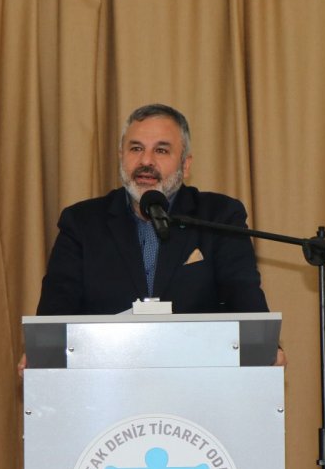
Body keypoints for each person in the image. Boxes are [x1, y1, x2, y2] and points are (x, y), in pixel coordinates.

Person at [20, 103, 284, 372]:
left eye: (161, 150)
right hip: (105, 376)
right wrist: (43, 354)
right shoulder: (82, 223)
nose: (146, 161)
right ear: (121, 157)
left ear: (185, 164)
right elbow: (57, 308)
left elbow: (243, 293)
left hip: (200, 375)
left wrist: (265, 349)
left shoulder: (218, 217)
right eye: (136, 149)